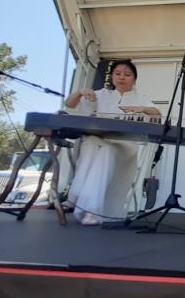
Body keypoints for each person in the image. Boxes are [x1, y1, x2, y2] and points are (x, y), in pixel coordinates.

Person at [64, 60, 161, 225]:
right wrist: (80, 92)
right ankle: (91, 210)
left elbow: (157, 114)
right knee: (94, 144)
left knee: (104, 150)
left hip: (125, 146)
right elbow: (70, 104)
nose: (122, 77)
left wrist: (142, 109)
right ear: (112, 77)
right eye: (117, 74)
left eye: (127, 74)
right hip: (99, 142)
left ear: (134, 79)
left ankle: (77, 197)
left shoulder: (140, 98)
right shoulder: (102, 94)